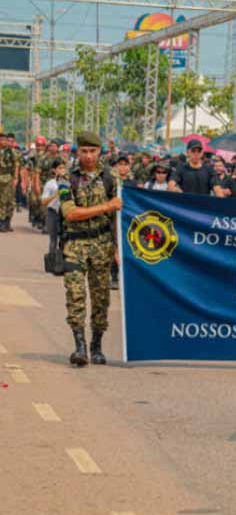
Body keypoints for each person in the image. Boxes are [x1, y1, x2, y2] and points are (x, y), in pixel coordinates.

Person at [59, 131, 122, 367]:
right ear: (77, 151)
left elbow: (119, 215)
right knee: (75, 296)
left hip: (102, 245)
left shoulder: (111, 178)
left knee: (101, 298)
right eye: (83, 151)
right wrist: (107, 206)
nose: (87, 156)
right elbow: (70, 213)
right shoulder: (67, 177)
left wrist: (118, 248)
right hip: (74, 244)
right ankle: (80, 346)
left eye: (92, 151)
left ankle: (96, 344)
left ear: (100, 151)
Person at [41, 158, 67, 269]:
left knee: (64, 238)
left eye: (63, 168)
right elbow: (44, 201)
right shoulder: (50, 184)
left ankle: (61, 264)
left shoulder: (67, 183)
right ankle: (51, 262)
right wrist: (55, 195)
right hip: (52, 213)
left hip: (64, 214)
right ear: (54, 170)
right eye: (59, 168)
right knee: (53, 239)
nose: (62, 170)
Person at [0, 131, 21, 232]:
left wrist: (16, 178)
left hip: (8, 178)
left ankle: (7, 222)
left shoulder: (11, 152)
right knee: (1, 201)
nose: (4, 142)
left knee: (9, 201)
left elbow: (16, 165)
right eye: (2, 140)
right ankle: (2, 222)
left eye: (5, 140)